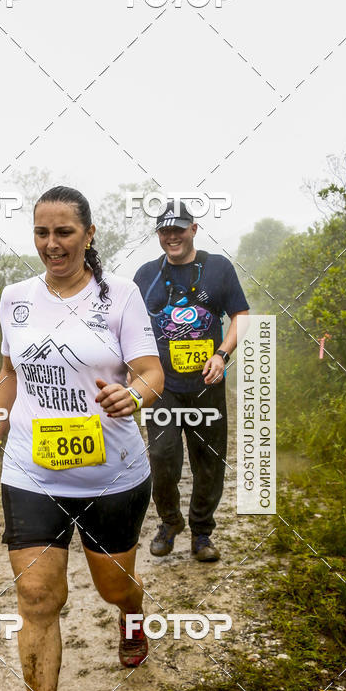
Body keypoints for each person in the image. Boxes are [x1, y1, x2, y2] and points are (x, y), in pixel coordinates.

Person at [0, 186, 164, 691]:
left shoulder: (120, 296)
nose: (52, 244)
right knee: (36, 597)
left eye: (64, 232)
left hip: (112, 473)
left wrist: (132, 394)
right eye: (42, 233)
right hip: (32, 470)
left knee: (114, 586)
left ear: (87, 235)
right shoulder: (15, 298)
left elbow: (151, 371)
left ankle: (132, 615)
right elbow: (10, 374)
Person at [133, 200, 249, 561]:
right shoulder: (144, 275)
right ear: (158, 235)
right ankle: (169, 522)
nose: (172, 236)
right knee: (162, 456)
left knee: (208, 462)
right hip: (161, 387)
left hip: (207, 386)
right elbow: (130, 326)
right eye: (165, 231)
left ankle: (201, 533)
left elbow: (241, 315)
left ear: (193, 229)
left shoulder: (219, 268)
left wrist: (223, 354)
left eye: (178, 229)